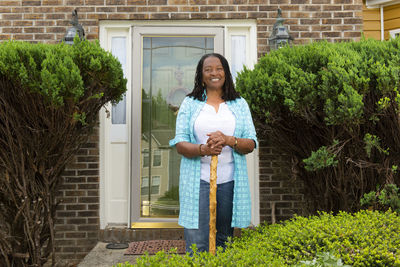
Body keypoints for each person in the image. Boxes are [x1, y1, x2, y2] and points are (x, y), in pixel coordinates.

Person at [169, 53, 258, 253]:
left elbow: (251, 143)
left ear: (226, 73)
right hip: (198, 181)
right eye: (208, 69)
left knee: (224, 239)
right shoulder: (190, 104)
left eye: (219, 68)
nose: (214, 73)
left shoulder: (239, 104)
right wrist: (204, 150)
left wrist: (229, 140)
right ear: (201, 76)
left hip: (229, 181)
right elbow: (180, 143)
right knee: (197, 241)